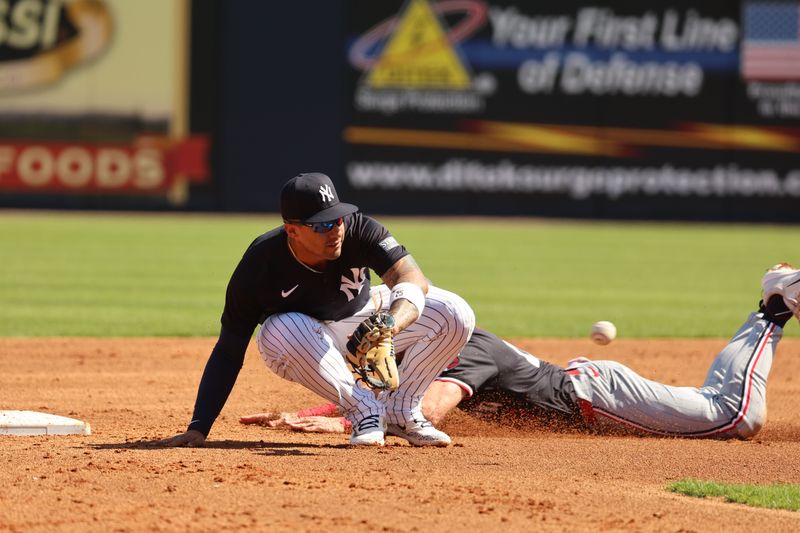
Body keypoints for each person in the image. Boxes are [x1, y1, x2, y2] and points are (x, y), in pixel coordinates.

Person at [241, 263, 800, 440]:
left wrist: (343, 427)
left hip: (591, 397)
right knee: (722, 410)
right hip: (587, 391)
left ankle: (775, 304)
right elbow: (384, 394)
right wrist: (313, 411)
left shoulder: (463, 350)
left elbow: (427, 412)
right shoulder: (418, 353)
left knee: (735, 416)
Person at [160, 172, 475, 447]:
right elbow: (229, 350)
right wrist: (199, 426)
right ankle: (365, 410)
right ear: (292, 230)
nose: (335, 229)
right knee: (281, 327)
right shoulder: (259, 265)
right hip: (304, 341)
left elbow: (411, 277)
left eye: (337, 218)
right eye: (322, 224)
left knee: (454, 311)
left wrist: (390, 325)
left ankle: (402, 411)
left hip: (364, 317)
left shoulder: (359, 229)